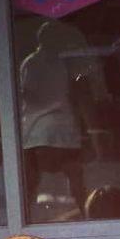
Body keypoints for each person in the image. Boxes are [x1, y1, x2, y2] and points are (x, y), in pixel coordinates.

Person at [20, 21, 86, 215]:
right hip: (49, 130)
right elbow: (30, 94)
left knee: (34, 179)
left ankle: (26, 216)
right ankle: (84, 212)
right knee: (73, 175)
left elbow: (27, 94)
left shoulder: (37, 63)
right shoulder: (36, 63)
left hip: (44, 130)